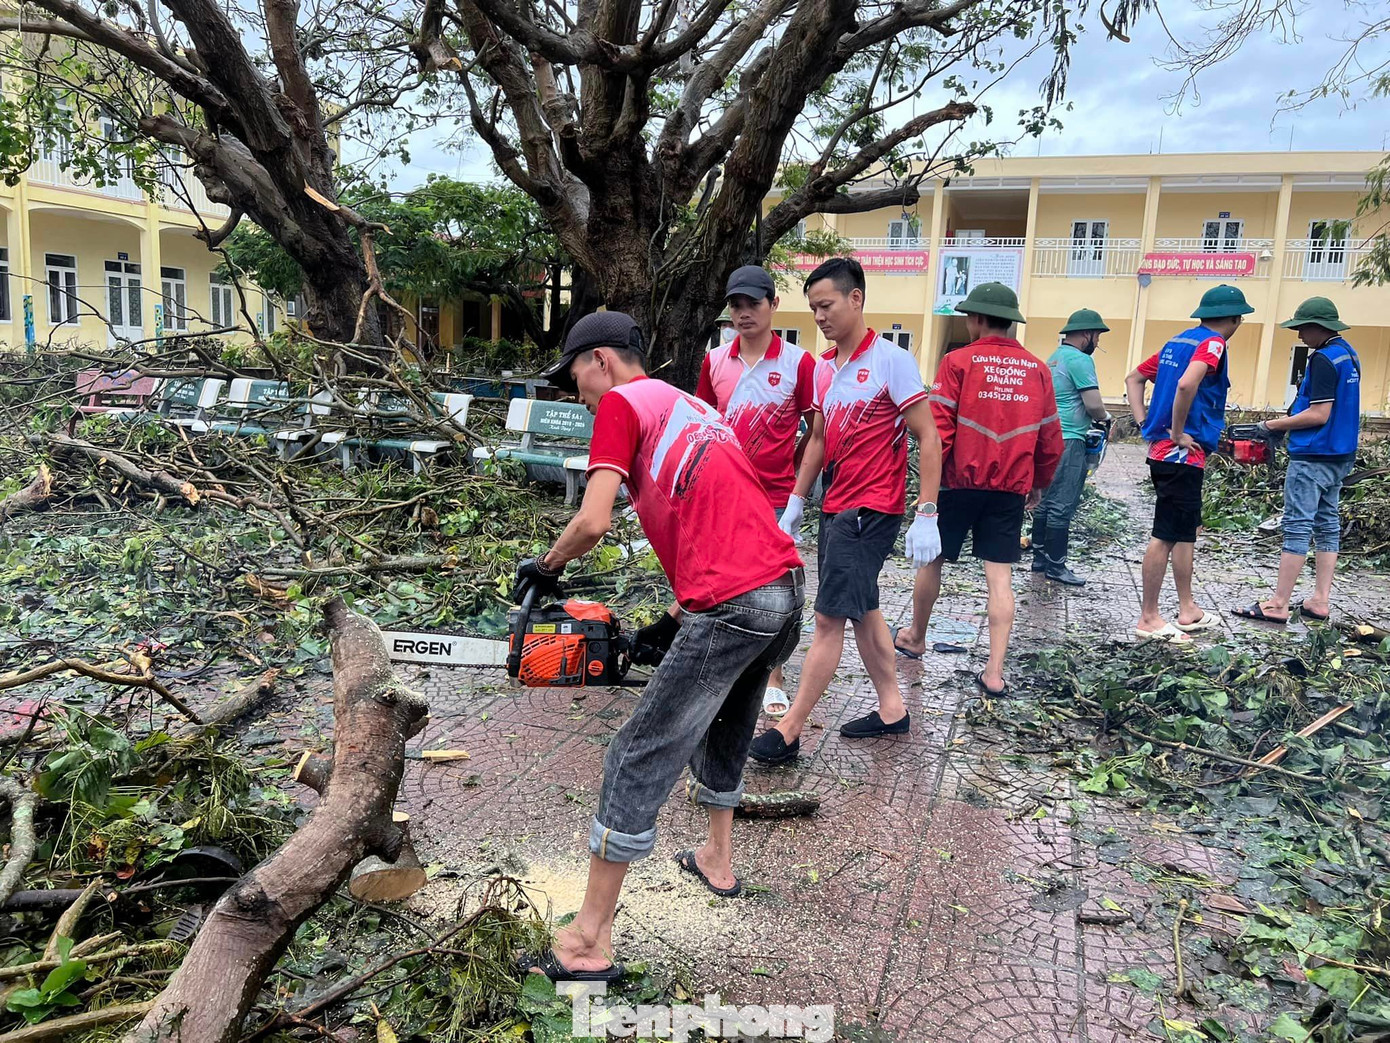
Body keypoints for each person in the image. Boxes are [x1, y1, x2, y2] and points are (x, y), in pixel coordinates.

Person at [518, 311, 805, 981]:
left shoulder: (620, 401)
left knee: (635, 751)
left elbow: (592, 519)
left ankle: (588, 941)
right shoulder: (691, 405)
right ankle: (716, 859)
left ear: (601, 360)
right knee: (726, 725)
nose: (580, 394)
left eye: (576, 377)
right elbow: (724, 513)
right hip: (784, 589)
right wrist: (676, 617)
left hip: (736, 602)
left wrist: (548, 565)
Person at [748, 257, 943, 765]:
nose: (820, 316)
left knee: (829, 618)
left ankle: (789, 732)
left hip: (870, 509)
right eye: (813, 309)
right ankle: (893, 708)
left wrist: (927, 511)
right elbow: (817, 438)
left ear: (856, 299)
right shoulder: (826, 367)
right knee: (863, 610)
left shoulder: (890, 361)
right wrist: (795, 499)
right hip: (836, 505)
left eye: (827, 305)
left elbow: (929, 435)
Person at [890, 283, 1063, 696]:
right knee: (999, 579)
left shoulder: (957, 362)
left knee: (931, 561)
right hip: (1008, 490)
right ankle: (995, 671)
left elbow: (939, 432)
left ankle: (915, 636)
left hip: (957, 484)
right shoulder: (1038, 370)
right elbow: (1051, 439)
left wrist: (927, 494)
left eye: (969, 317)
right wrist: (1037, 482)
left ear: (979, 319)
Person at [695, 265, 817, 717]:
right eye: (736, 305)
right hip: (724, 494)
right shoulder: (715, 361)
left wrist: (799, 496)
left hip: (776, 497)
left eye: (753, 304)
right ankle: (721, 670)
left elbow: (815, 431)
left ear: (773, 305)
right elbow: (704, 425)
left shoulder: (798, 363)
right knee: (722, 583)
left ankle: (773, 676)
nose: (744, 313)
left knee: (774, 591)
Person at [1124, 283, 1254, 643]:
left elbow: (1134, 377)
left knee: (1184, 532)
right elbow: (1186, 385)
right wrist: (1178, 432)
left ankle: (1188, 609)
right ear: (1233, 319)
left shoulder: (1176, 341)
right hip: (1180, 453)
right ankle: (1148, 617)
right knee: (1165, 535)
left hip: (1167, 453)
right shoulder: (1213, 344)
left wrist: (1142, 421)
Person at [1231, 297, 1360, 624]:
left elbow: (1319, 414)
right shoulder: (1349, 354)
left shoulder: (1322, 359)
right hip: (1340, 454)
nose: (1300, 334)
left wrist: (1270, 426)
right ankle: (1320, 600)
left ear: (1320, 327)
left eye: (1303, 328)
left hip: (1314, 455)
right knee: (1327, 523)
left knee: (1298, 525)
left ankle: (1278, 603)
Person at [1030, 308, 1112, 586]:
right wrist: (1105, 418)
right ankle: (1056, 566)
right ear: (1086, 334)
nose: (1097, 343)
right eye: (1097, 336)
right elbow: (1093, 404)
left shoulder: (1053, 358)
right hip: (1069, 439)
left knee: (1044, 500)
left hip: (1046, 437)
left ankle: (1039, 559)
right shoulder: (1079, 360)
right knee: (1062, 503)